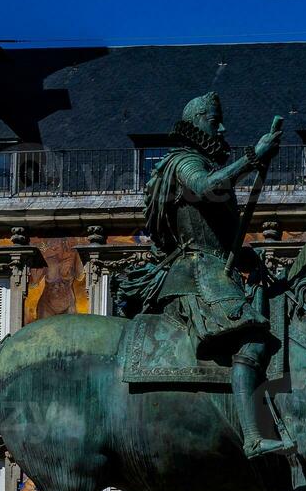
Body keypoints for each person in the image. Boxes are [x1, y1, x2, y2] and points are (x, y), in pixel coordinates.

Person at [119, 92, 294, 459]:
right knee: (254, 341)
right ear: (197, 121)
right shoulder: (183, 162)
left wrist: (244, 253)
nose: (223, 128)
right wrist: (252, 157)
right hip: (195, 273)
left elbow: (215, 233)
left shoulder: (200, 163)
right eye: (216, 122)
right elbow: (204, 188)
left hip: (213, 265)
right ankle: (253, 436)